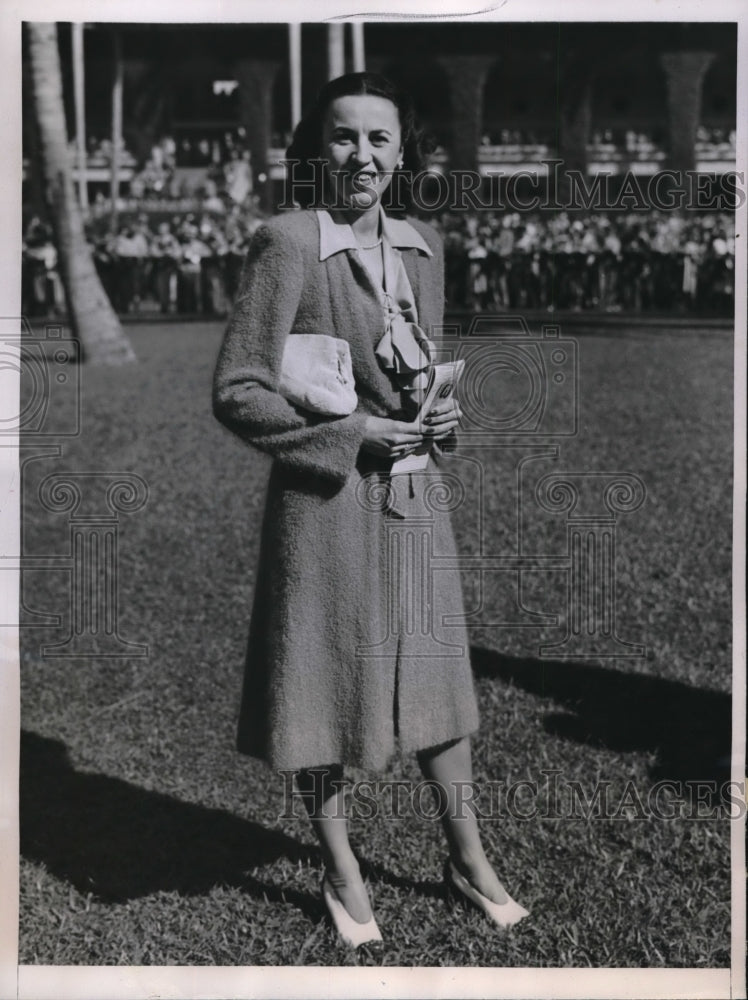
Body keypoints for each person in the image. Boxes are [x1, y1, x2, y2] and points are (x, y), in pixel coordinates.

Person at [212, 72, 529, 953]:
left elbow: (416, 372)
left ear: (401, 153)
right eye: (344, 137)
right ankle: (341, 868)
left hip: (417, 497)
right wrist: (355, 437)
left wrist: (440, 417)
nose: (362, 155)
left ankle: (467, 855)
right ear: (317, 150)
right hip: (324, 506)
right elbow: (238, 388)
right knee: (316, 685)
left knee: (439, 685)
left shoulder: (423, 246)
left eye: (379, 139)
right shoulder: (284, 245)